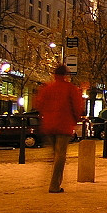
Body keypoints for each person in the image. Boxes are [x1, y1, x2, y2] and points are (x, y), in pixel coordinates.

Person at [35, 64, 83, 193]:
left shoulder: (47, 88)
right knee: (60, 155)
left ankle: (51, 181)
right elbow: (77, 106)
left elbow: (39, 104)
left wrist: (45, 117)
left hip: (49, 125)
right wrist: (75, 119)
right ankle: (54, 184)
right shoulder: (70, 88)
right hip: (64, 125)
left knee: (54, 154)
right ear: (66, 75)